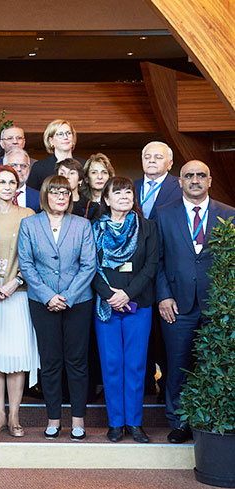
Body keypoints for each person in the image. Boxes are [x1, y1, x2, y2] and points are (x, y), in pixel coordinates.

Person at [155, 160, 235, 443]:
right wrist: (163, 295)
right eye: (189, 175)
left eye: (201, 175)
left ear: (210, 181)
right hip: (177, 304)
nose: (195, 180)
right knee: (177, 366)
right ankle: (179, 423)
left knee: (213, 365)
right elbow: (158, 259)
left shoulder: (229, 215)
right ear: (180, 182)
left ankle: (212, 420)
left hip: (218, 306)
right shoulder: (163, 215)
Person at [18, 175, 96, 441]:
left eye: (65, 192)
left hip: (78, 302)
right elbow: (26, 265)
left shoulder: (82, 225)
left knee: (76, 362)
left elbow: (89, 265)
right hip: (42, 302)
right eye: (55, 192)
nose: (61, 197)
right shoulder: (29, 224)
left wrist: (67, 296)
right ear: (45, 196)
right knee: (50, 363)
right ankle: (53, 419)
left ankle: (78, 420)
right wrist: (49, 296)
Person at [90, 176, 158, 443]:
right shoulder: (94, 229)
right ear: (106, 199)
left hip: (138, 305)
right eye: (117, 192)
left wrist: (127, 294)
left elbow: (151, 266)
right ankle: (116, 423)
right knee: (112, 364)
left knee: (136, 365)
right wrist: (110, 295)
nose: (124, 196)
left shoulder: (148, 227)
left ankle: (135, 423)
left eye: (128, 192)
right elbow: (89, 267)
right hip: (106, 306)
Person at [0, 166, 39, 437]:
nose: (6, 186)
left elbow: (37, 255)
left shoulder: (28, 215)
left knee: (16, 357)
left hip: (19, 295)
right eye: (1, 181)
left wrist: (17, 281)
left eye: (11, 182)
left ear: (18, 187)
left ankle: (14, 414)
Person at [27, 119, 81, 190]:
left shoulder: (84, 164)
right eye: (60, 134)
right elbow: (32, 195)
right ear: (51, 141)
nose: (65, 137)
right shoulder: (39, 167)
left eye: (68, 133)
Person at [135, 141, 181, 220]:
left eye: (158, 157)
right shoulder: (131, 186)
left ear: (170, 164)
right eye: (147, 157)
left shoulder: (180, 186)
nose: (151, 160)